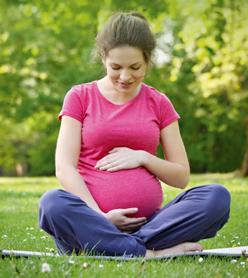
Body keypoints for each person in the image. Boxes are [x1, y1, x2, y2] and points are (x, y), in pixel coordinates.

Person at [39, 12, 231, 258]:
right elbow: (65, 168)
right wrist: (101, 218)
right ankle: (151, 253)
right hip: (93, 219)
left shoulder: (159, 102)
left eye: (135, 67)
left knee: (216, 197)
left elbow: (181, 176)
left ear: (148, 60)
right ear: (104, 58)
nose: (125, 77)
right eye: (116, 67)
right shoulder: (79, 97)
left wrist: (144, 157)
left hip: (152, 225)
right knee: (52, 204)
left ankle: (110, 246)